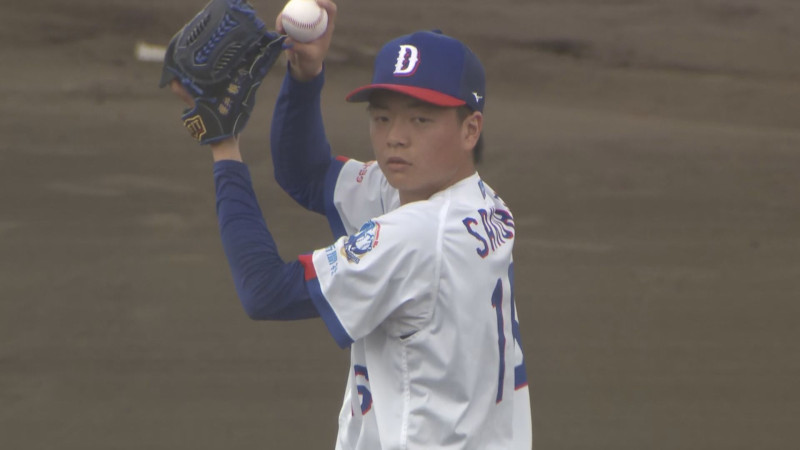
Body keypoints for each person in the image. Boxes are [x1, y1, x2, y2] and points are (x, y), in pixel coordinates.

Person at [171, 1, 531, 447]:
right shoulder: (480, 204)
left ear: (470, 130)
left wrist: (224, 147)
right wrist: (305, 76)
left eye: (420, 119)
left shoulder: (416, 236)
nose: (395, 137)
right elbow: (307, 175)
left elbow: (264, 291)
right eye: (382, 117)